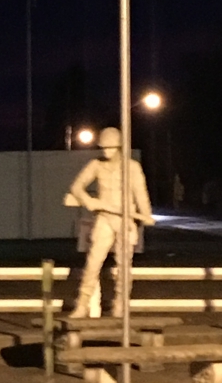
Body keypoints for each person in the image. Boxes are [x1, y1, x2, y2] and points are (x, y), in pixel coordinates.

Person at [64, 126, 155, 318]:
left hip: (125, 219)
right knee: (93, 262)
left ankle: (121, 305)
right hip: (104, 218)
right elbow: (76, 187)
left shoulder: (132, 167)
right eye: (104, 148)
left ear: (120, 147)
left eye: (111, 147)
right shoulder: (96, 165)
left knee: (124, 265)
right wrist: (89, 201)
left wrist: (146, 214)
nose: (107, 151)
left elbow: (140, 193)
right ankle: (82, 304)